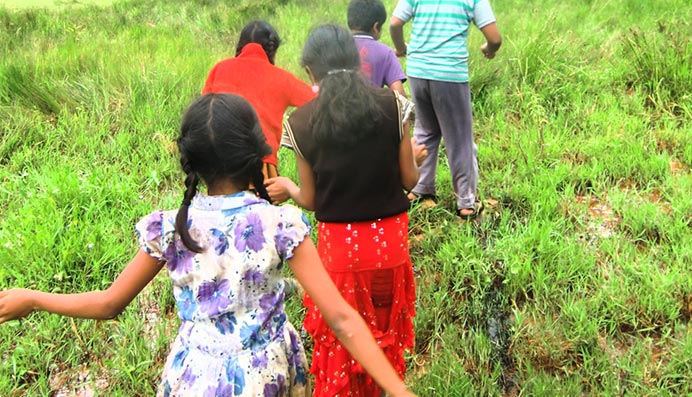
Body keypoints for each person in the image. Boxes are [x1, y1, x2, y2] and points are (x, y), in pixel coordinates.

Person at [0, 93, 418, 397]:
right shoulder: (279, 223)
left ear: (190, 160)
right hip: (266, 376)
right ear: (258, 152)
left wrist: (33, 299)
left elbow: (109, 304)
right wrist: (399, 392)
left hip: (194, 377)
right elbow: (342, 319)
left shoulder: (170, 228)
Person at [265, 25, 427, 397]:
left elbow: (314, 200)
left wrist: (289, 189)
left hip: (342, 253)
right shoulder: (393, 104)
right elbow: (409, 181)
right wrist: (414, 158)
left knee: (344, 341)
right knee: (383, 336)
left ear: (310, 71)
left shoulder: (301, 122)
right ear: (356, 62)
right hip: (390, 245)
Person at [389, 0, 502, 220]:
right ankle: (465, 201)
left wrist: (402, 49)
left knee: (425, 131)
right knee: (459, 137)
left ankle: (420, 187)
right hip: (449, 75)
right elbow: (494, 37)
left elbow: (395, 23)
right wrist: (489, 51)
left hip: (417, 70)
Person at [202, 19, 315, 179]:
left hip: (219, 161)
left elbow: (201, 113)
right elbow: (317, 101)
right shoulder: (282, 78)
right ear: (272, 49)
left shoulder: (219, 69)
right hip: (261, 165)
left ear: (240, 45)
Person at [347, 0, 407, 96]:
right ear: (376, 27)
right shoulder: (386, 53)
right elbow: (400, 96)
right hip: (372, 110)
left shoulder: (335, 47)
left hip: (337, 110)